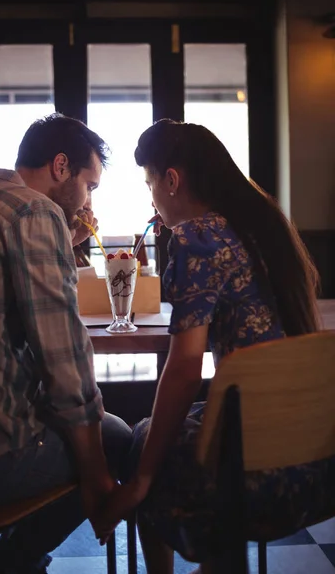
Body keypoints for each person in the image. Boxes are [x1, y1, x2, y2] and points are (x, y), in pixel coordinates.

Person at [94, 118, 327, 574]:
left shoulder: (194, 237)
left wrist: (138, 481)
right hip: (315, 449)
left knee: (144, 445)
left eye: (150, 185)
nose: (153, 201)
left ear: (172, 180)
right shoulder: (265, 225)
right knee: (156, 435)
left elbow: (183, 367)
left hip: (255, 464)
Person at [0, 112, 132, 574]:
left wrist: (65, 240)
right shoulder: (34, 211)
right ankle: (12, 563)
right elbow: (62, 357)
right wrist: (94, 471)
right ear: (61, 167)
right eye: (90, 184)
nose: (88, 198)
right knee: (118, 438)